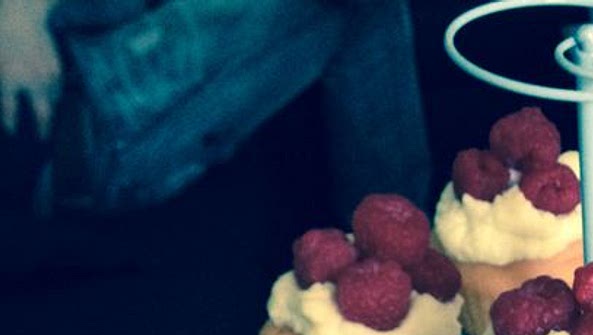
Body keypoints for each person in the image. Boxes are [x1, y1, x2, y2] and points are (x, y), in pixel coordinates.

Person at [0, 0, 433, 222]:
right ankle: (398, 257)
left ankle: (394, 246)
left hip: (88, 52)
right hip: (74, 117)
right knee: (362, 9)